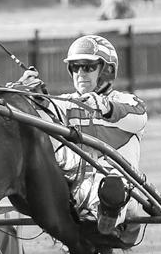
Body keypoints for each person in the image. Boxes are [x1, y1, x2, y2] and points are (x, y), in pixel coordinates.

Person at [15, 35, 147, 242]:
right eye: (75, 67)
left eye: (87, 67)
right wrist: (34, 94)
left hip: (120, 190)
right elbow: (46, 113)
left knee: (109, 183)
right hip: (73, 188)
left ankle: (104, 216)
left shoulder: (126, 101)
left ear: (106, 70)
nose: (79, 73)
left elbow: (139, 118)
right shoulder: (65, 103)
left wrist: (104, 106)